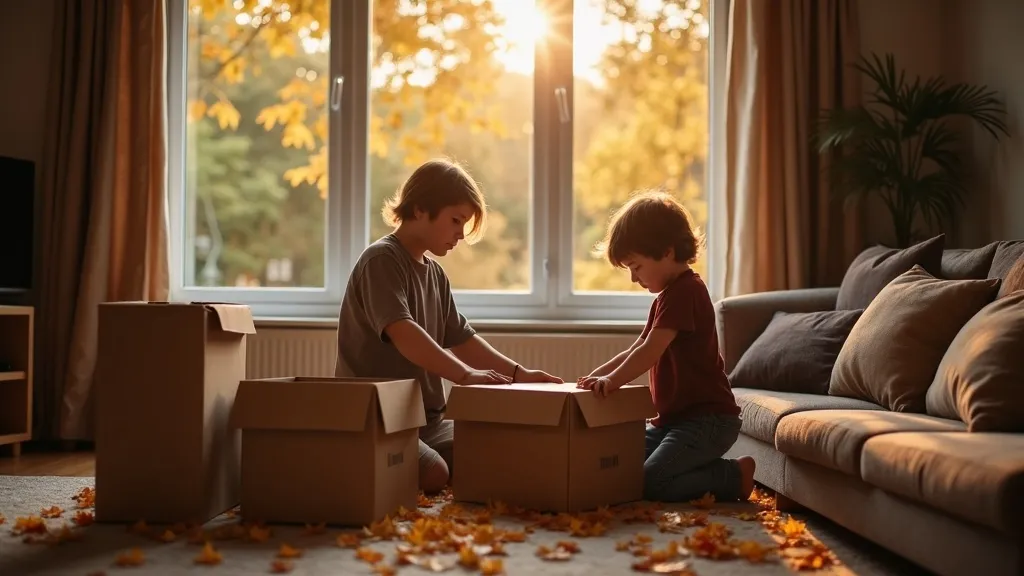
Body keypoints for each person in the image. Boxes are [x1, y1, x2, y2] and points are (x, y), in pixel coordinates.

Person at [335, 158, 562, 494]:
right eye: (456, 221)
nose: (461, 234)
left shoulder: (435, 274)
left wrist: (519, 374)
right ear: (421, 209)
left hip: (428, 421)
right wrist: (464, 376)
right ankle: (345, 457)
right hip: (377, 416)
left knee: (499, 454)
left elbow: (463, 338)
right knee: (435, 474)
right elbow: (403, 332)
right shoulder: (382, 260)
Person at [577, 190, 756, 504]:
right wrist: (593, 377)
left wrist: (613, 382)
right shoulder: (668, 297)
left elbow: (650, 352)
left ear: (668, 252)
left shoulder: (686, 292)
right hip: (672, 423)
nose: (634, 279)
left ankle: (731, 476)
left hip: (707, 421)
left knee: (652, 482)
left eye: (636, 267)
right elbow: (638, 347)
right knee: (619, 463)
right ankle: (699, 468)